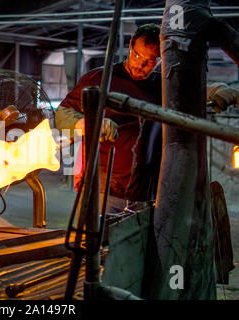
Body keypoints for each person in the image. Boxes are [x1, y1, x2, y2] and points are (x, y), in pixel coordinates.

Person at [56, 23, 239, 213]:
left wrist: (220, 90)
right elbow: (62, 114)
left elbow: (195, 88)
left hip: (147, 193)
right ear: (130, 47)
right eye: (137, 55)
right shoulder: (98, 79)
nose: (140, 64)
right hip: (103, 189)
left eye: (151, 60)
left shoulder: (161, 85)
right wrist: (90, 124)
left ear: (160, 60)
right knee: (97, 241)